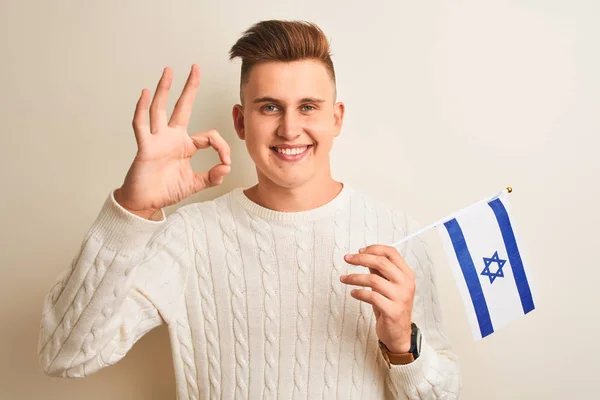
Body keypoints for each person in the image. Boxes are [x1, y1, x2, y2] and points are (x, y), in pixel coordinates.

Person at [38, 20, 461, 399]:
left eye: (308, 107)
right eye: (270, 107)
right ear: (241, 122)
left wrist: (403, 345)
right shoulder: (190, 237)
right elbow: (64, 356)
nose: (290, 128)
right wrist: (131, 209)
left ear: (337, 118)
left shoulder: (396, 233)